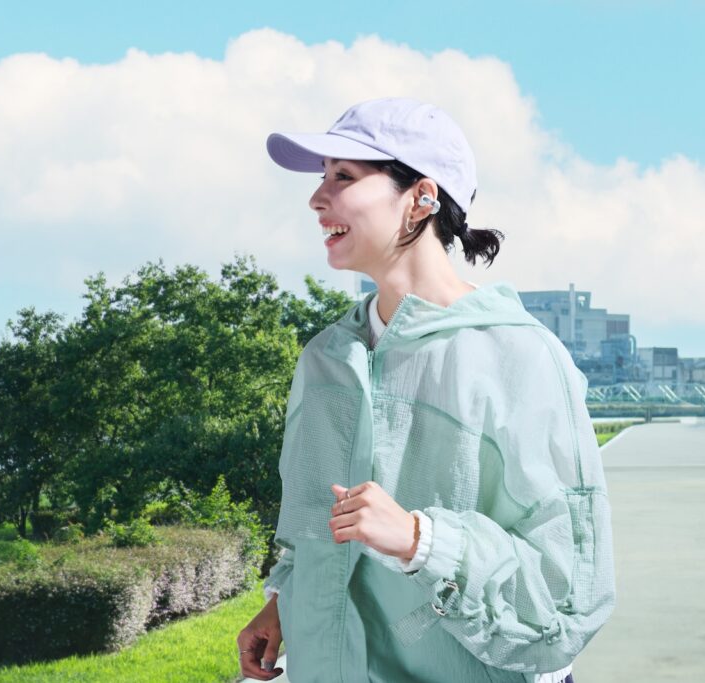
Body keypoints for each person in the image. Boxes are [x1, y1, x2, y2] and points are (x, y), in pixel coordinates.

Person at [237, 97, 615, 683]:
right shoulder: (326, 358)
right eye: (321, 176)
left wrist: (422, 540)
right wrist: (285, 600)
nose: (317, 197)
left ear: (421, 198)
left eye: (344, 176)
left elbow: (567, 592)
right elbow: (316, 522)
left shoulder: (521, 356)